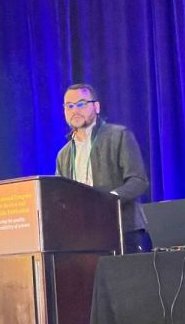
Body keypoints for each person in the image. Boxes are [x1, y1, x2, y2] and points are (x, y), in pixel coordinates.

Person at [55, 83, 150, 253]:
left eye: (81, 104)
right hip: (82, 236)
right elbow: (60, 196)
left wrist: (108, 200)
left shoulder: (119, 135)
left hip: (122, 230)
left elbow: (138, 181)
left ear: (96, 107)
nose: (75, 110)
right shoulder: (64, 154)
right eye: (69, 106)